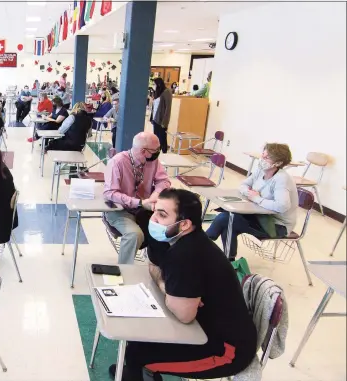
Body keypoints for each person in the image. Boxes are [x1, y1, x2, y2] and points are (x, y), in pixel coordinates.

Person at [110, 189, 256, 381]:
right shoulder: (171, 237)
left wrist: (169, 290)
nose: (153, 220)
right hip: (202, 326)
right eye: (155, 211)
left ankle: (143, 372)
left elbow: (184, 315)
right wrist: (168, 289)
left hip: (226, 350)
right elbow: (153, 267)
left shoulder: (187, 254)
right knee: (137, 340)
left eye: (162, 215)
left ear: (185, 224)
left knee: (137, 354)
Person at [206, 143, 298, 261]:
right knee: (229, 219)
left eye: (266, 158)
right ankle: (227, 260)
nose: (262, 159)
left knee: (227, 219)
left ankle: (202, 246)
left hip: (277, 225)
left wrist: (257, 199)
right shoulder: (261, 170)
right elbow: (244, 185)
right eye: (262, 155)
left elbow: (282, 206)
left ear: (278, 163)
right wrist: (249, 192)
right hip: (259, 216)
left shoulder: (281, 179)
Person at [103, 132, 171, 264]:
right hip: (120, 210)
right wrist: (139, 202)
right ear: (144, 151)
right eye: (156, 150)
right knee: (134, 235)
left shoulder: (153, 161)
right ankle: (124, 270)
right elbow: (110, 193)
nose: (158, 152)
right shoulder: (117, 162)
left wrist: (155, 195)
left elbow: (164, 181)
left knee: (167, 229)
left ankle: (159, 267)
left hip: (145, 208)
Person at [151, 77, 172, 153]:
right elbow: (155, 107)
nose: (153, 85)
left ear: (158, 84)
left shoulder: (167, 92)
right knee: (156, 136)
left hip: (161, 119)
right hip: (155, 118)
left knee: (162, 136)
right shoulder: (157, 92)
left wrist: (165, 122)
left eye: (154, 84)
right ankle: (158, 150)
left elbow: (168, 108)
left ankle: (163, 151)